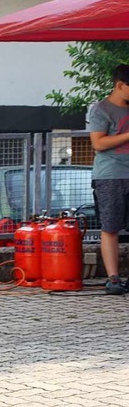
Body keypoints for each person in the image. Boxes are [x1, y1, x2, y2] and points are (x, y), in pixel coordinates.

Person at [88, 63, 129, 295]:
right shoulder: (100, 110)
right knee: (110, 227)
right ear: (120, 85)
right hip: (110, 175)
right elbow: (98, 143)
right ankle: (113, 278)